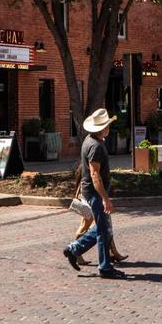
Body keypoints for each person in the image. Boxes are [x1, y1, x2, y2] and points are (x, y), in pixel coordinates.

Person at [63, 108, 126, 279]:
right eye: (107, 126)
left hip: (91, 192)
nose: (109, 128)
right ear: (102, 128)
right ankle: (104, 267)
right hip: (94, 193)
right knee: (103, 231)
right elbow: (94, 174)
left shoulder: (88, 140)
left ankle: (74, 249)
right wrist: (105, 198)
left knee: (102, 228)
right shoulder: (96, 146)